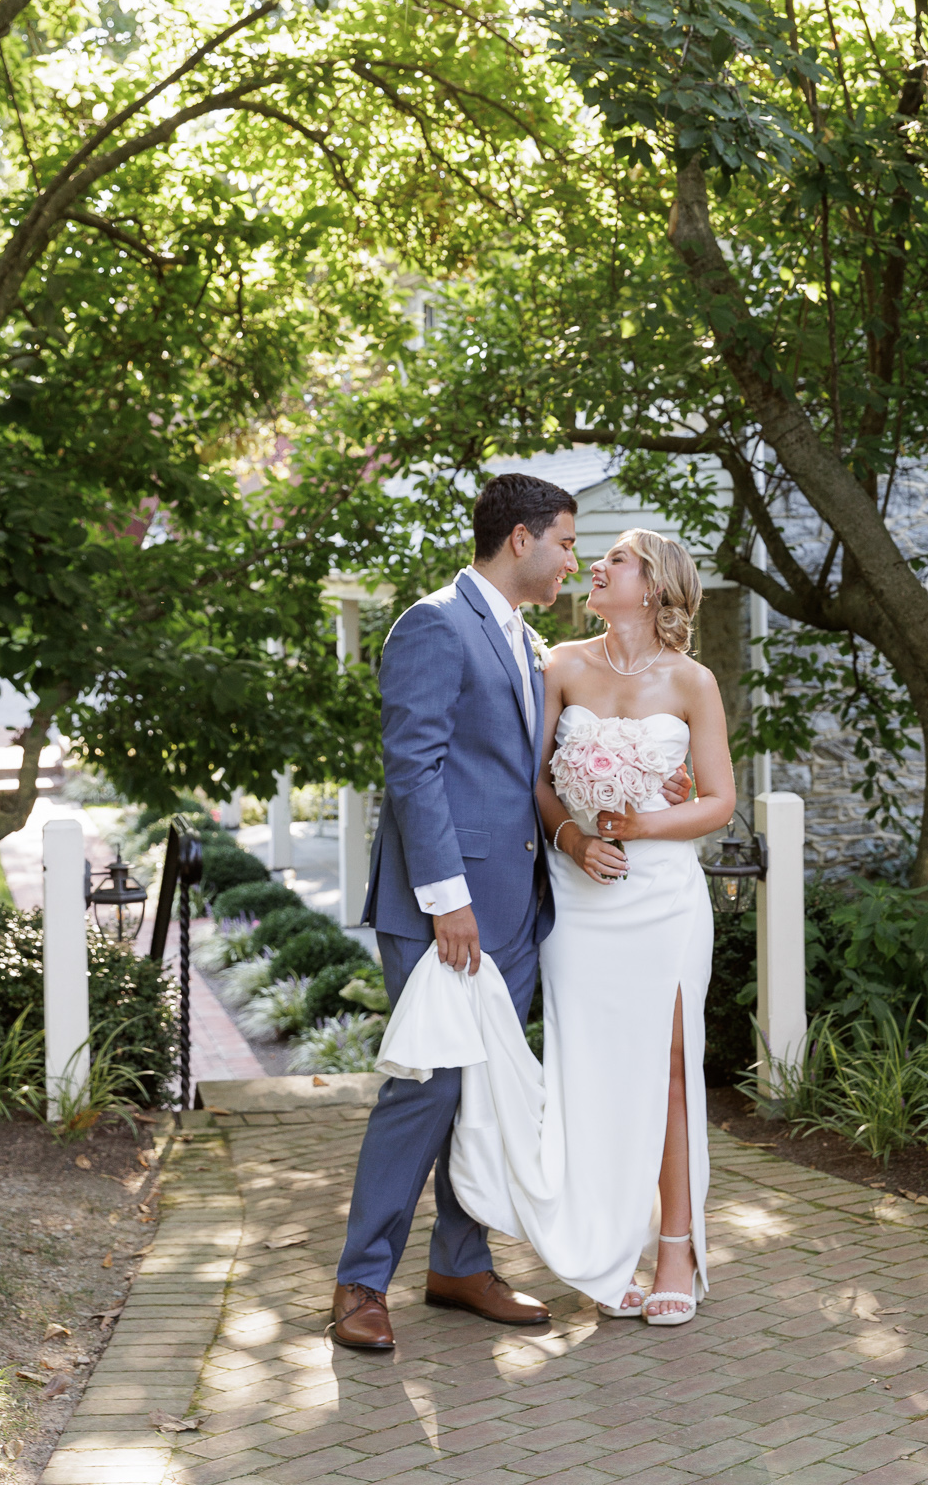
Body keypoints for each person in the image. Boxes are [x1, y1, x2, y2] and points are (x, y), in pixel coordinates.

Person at [330, 479, 692, 1349]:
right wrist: (447, 900)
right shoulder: (433, 623)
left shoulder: (532, 645)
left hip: (524, 909)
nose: (575, 559)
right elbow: (412, 770)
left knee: (487, 1088)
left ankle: (460, 1263)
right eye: (567, 543)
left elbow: (536, 773)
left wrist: (647, 785)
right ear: (522, 539)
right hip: (444, 910)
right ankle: (359, 1282)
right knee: (428, 1083)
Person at [536, 529, 736, 1324]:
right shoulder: (560, 664)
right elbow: (536, 782)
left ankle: (676, 1249)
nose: (595, 566)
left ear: (653, 585)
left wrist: (641, 827)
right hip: (580, 893)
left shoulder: (693, 681)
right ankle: (607, 1244)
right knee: (588, 1068)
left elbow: (717, 800)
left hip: (661, 895)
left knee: (672, 1067)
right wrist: (577, 838)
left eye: (613, 559)